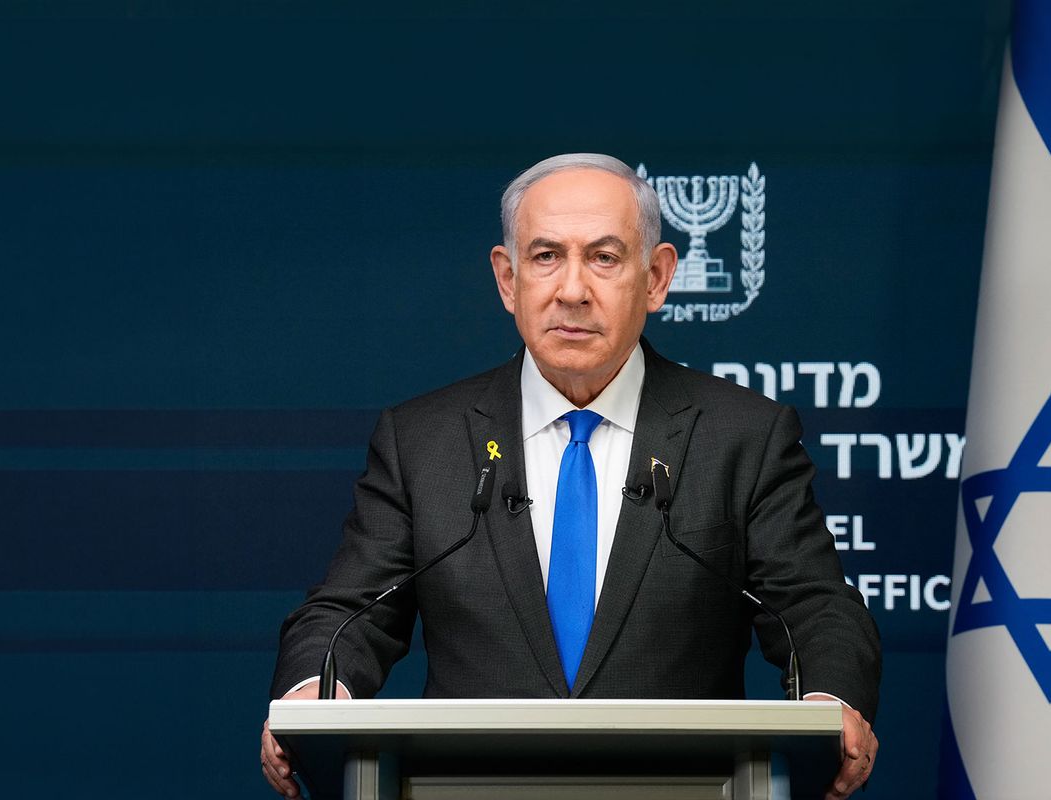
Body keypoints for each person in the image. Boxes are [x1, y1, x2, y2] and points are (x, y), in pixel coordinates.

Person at [260, 153, 881, 799]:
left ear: (658, 276)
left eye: (605, 258)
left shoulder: (743, 436)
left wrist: (828, 697)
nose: (573, 290)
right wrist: (313, 698)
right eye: (546, 256)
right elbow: (348, 613)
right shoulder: (424, 440)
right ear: (508, 278)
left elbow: (813, 606)